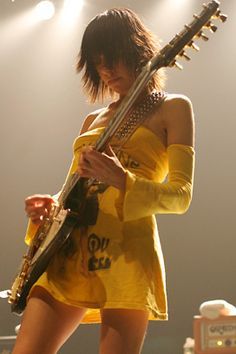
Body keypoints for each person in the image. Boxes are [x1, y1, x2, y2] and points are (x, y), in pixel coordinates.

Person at [12, 8, 195, 354]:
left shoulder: (173, 108)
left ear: (137, 50)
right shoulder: (92, 121)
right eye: (98, 64)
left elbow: (181, 195)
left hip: (125, 255)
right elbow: (73, 189)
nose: (106, 71)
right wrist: (49, 206)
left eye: (112, 59)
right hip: (69, 252)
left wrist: (122, 179)